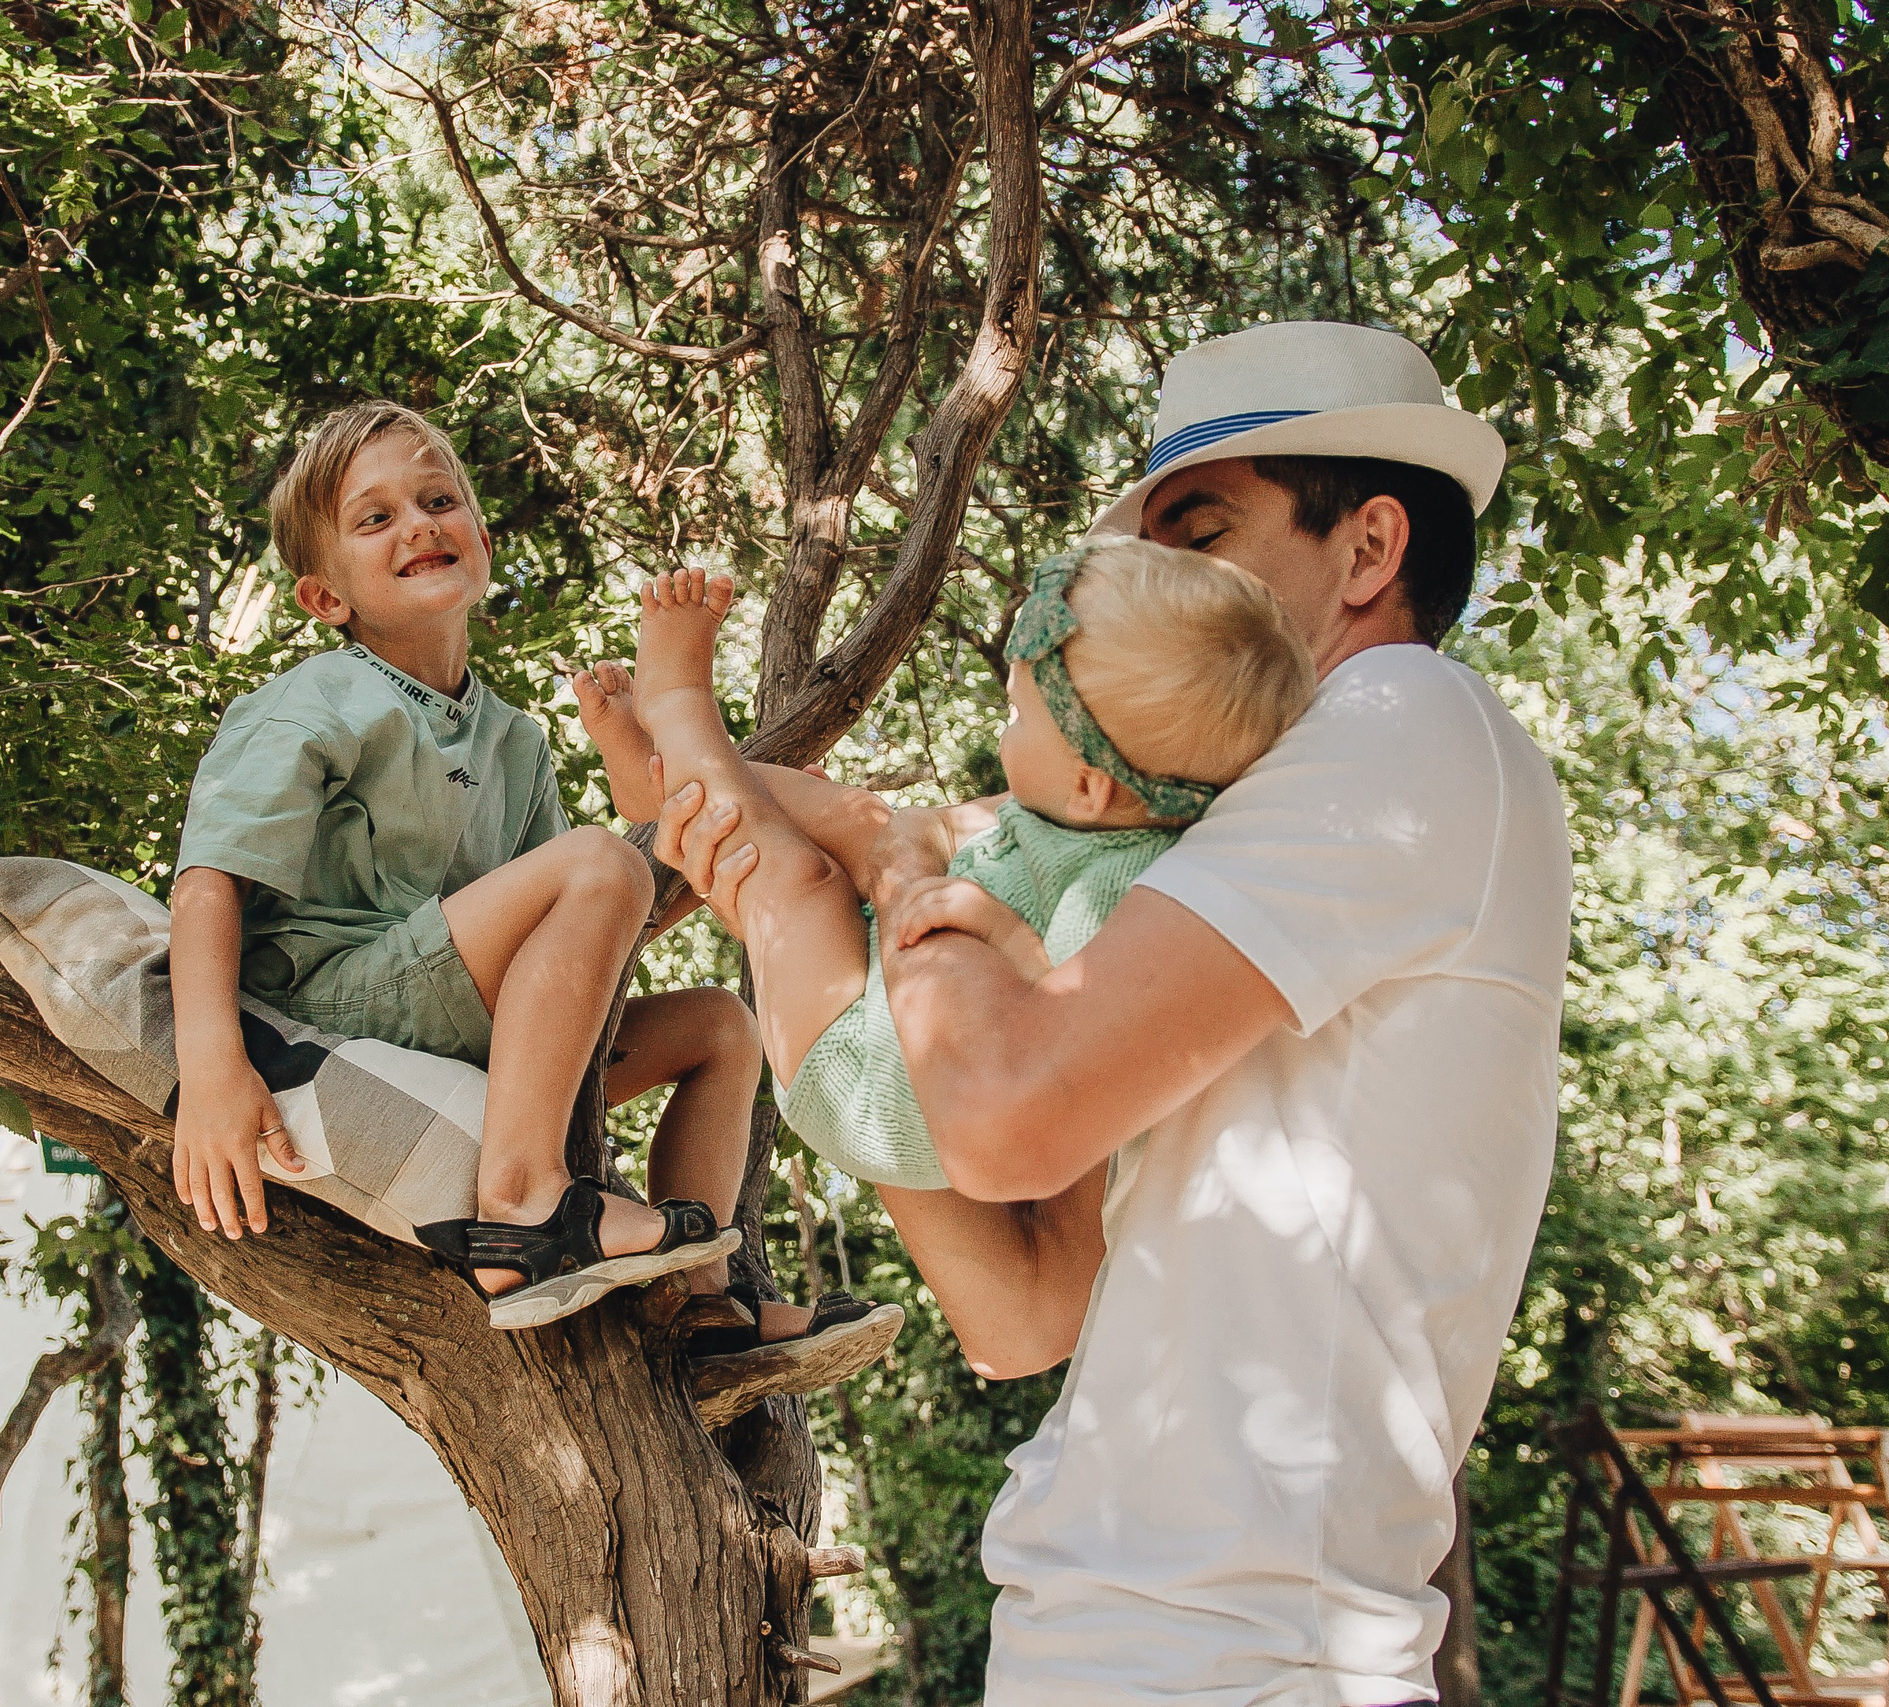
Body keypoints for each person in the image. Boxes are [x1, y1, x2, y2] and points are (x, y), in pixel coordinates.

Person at [657, 321, 1572, 1704]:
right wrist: (819, 970)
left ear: (1369, 549)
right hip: (1104, 1627)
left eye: (1199, 534)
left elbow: (1011, 1118)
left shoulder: (1402, 712)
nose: (1153, 588)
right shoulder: (1185, 872)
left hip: (1241, 1657)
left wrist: (904, 876)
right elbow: (1019, 1307)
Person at [167, 400, 896, 1385]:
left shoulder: (513, 738)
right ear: (324, 597)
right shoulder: (318, 697)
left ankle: (704, 1303)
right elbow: (210, 875)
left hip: (461, 1014)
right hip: (335, 1008)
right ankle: (520, 1205)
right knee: (605, 860)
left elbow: (564, 952)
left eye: (437, 499)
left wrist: (626, 746)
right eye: (373, 519)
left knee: (719, 1026)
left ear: (482, 539)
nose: (419, 524)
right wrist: (212, 1067)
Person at [578, 538, 1311, 1197]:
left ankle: (679, 706)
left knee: (800, 882)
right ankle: (657, 780)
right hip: (886, 988)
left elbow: (1065, 1007)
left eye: (1021, 716)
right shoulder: (1086, 803)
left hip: (870, 1076)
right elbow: (916, 833)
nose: (1003, 725)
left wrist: (990, 919)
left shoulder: (1121, 884)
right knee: (847, 814)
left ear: (1092, 786)